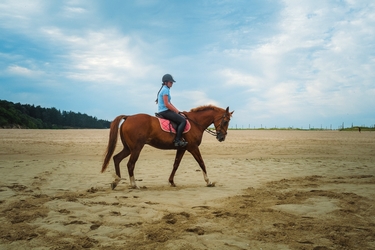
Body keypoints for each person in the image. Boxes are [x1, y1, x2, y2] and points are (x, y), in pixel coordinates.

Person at [155, 74, 188, 147]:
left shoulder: (165, 89)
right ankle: (177, 140)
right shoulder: (165, 90)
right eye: (171, 82)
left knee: (180, 117)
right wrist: (177, 112)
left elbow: (170, 103)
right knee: (183, 121)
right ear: (166, 82)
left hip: (165, 110)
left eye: (172, 82)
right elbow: (167, 104)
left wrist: (178, 111)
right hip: (165, 111)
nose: (172, 84)